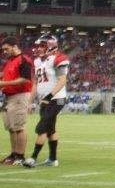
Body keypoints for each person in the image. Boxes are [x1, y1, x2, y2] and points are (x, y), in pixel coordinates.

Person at [23, 35, 68, 168]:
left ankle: (33, 158)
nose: (38, 49)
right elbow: (35, 83)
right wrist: (30, 102)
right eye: (38, 46)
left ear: (51, 46)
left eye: (42, 46)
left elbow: (62, 80)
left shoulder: (59, 58)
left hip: (57, 99)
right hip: (45, 100)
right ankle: (53, 159)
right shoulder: (37, 61)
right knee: (50, 129)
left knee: (42, 127)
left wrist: (49, 96)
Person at [1, 36, 34, 164]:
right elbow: (6, 75)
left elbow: (25, 79)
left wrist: (3, 83)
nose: (4, 52)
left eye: (6, 49)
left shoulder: (23, 60)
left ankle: (20, 156)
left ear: (14, 46)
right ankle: (13, 154)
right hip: (9, 97)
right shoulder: (10, 61)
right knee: (11, 127)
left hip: (20, 96)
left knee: (19, 127)